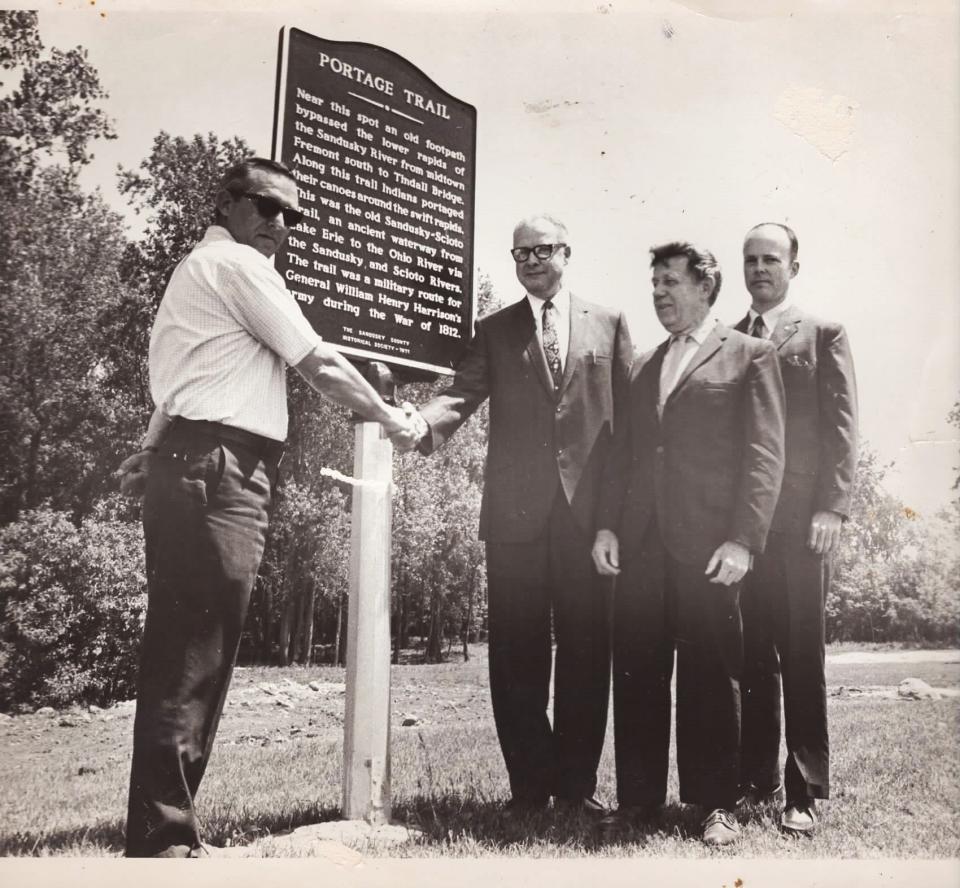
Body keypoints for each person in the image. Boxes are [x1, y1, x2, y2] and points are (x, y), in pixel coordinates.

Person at [118, 157, 418, 857]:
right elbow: (320, 364)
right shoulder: (239, 268)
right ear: (226, 203)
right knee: (191, 650)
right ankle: (162, 840)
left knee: (193, 648)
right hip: (217, 467)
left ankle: (166, 830)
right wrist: (389, 418)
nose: (280, 225)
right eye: (265, 206)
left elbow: (180, 381)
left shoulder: (205, 270)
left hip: (203, 460)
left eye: (294, 216)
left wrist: (151, 447)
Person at [398, 214, 633, 816]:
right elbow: (461, 392)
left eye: (542, 249)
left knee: (586, 655)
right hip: (515, 521)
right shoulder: (495, 330)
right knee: (515, 658)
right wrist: (422, 422)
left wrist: (619, 516)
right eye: (519, 253)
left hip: (588, 526)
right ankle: (530, 789)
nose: (530, 260)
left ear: (567, 251)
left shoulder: (610, 325)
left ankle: (577, 790)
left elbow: (630, 429)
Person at [591, 242, 785, 846]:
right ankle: (639, 804)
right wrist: (607, 526)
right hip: (642, 547)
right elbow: (620, 455)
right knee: (640, 673)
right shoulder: (642, 364)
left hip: (711, 548)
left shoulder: (751, 355)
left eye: (671, 282)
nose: (659, 294)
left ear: (707, 286)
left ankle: (714, 805)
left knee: (710, 673)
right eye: (654, 284)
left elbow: (764, 453)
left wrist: (744, 540)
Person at [735, 223, 858, 834]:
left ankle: (803, 790)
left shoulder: (822, 333)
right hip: (742, 532)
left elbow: (840, 425)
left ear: (794, 266)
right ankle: (755, 780)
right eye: (751, 260)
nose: (760, 269)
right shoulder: (726, 337)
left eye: (771, 259)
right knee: (750, 655)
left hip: (803, 526)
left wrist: (832, 506)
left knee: (801, 656)